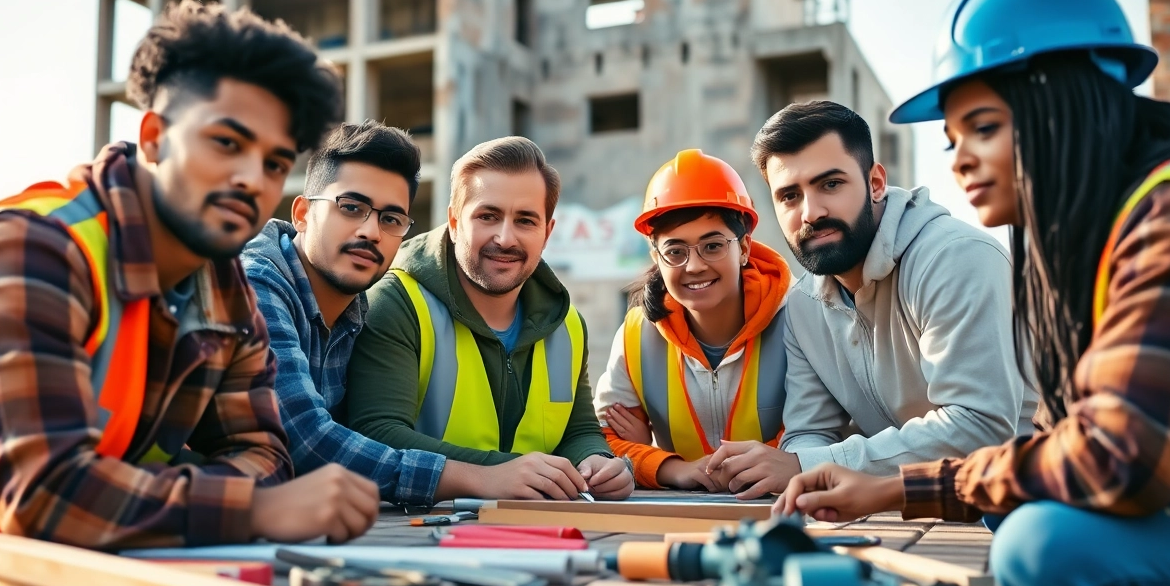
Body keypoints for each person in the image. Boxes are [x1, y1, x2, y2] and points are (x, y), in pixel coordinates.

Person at [0, 0, 381, 572]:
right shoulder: (30, 252)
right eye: (226, 143)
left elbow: (265, 455)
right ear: (153, 137)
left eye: (274, 163)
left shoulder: (224, 288)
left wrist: (143, 495)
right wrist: (250, 507)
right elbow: (45, 493)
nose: (252, 179)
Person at [776, 0, 1170, 586]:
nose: (959, 159)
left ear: (1062, 105)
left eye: (986, 128)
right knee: (1015, 518)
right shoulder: (1090, 229)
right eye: (953, 137)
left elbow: (1122, 458)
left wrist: (901, 488)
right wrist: (898, 485)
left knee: (1040, 545)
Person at [243, 122, 594, 504]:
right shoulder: (254, 287)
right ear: (303, 213)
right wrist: (483, 476)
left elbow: (582, 430)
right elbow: (305, 441)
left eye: (391, 219)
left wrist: (599, 461)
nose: (370, 232)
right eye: (351, 208)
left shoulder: (352, 308)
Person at [719, 100, 1037, 499]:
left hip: (1016, 504)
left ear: (875, 183)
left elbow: (979, 429)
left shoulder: (955, 258)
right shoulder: (803, 304)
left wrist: (808, 467)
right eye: (789, 196)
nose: (811, 213)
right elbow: (809, 433)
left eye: (830, 184)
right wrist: (799, 475)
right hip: (889, 509)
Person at [345, 137, 634, 500]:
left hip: (537, 525)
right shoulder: (396, 302)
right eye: (488, 216)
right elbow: (375, 434)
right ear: (453, 221)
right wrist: (499, 472)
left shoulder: (568, 325)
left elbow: (578, 431)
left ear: (547, 233)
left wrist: (598, 461)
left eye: (525, 220)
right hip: (414, 529)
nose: (505, 237)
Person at [593, 150, 792, 491]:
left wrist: (749, 467)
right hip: (679, 516)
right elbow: (602, 442)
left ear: (744, 247)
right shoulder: (637, 336)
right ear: (656, 256)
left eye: (712, 246)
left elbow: (821, 430)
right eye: (675, 251)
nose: (694, 265)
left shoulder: (798, 319)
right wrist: (673, 469)